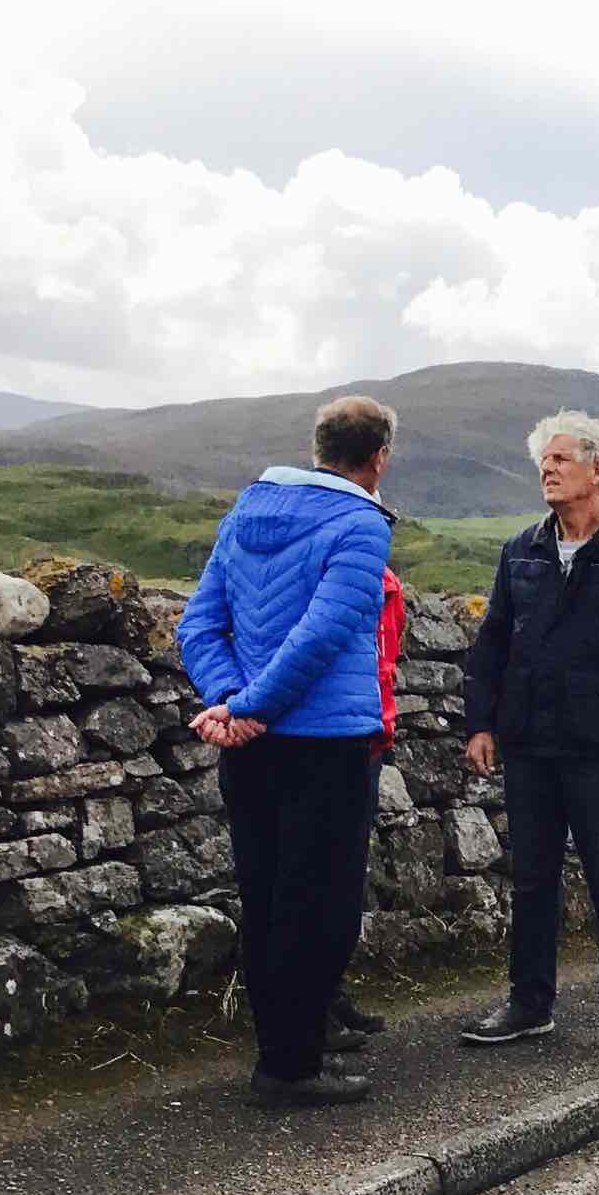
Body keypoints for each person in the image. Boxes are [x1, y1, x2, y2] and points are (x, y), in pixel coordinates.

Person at [175, 395, 399, 1107]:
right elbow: (324, 635)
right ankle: (292, 1067)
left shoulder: (246, 511)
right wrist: (246, 708)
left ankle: (282, 1052)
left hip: (253, 748)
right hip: (327, 745)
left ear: (318, 446)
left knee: (267, 897)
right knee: (322, 907)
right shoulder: (362, 523)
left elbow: (199, 624)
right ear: (378, 458)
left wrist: (231, 705)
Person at [458, 411, 599, 1058]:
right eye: (543, 463)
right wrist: (481, 722)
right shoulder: (521, 552)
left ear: (598, 471)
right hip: (530, 745)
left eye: (560, 460)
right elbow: (493, 642)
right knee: (531, 881)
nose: (547, 471)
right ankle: (529, 1003)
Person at [328, 563, 411, 1045]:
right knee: (322, 882)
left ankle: (328, 996)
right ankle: (311, 1011)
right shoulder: (358, 580)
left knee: (344, 879)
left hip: (366, 739)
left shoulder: (386, 586)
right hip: (340, 738)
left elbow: (385, 660)